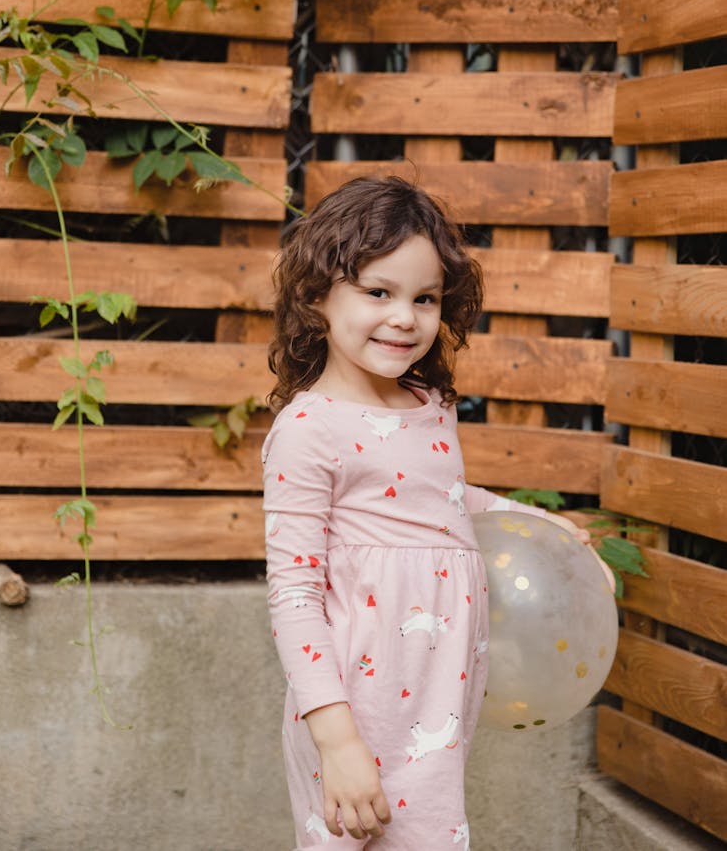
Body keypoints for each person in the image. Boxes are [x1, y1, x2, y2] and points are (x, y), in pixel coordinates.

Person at [262, 175, 611, 849]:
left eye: (425, 298)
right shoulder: (309, 429)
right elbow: (295, 593)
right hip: (356, 704)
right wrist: (336, 741)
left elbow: (446, 500)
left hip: (436, 693)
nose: (405, 316)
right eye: (378, 292)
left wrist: (538, 524)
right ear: (315, 297)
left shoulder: (430, 405)